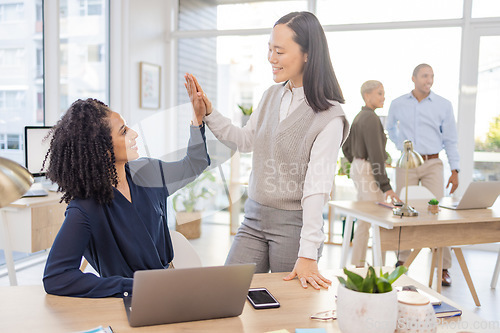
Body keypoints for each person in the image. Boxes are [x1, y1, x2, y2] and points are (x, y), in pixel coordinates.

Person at [185, 11, 349, 290]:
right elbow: (245, 141)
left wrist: (308, 252)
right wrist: (209, 112)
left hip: (293, 227)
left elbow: (316, 188)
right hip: (253, 217)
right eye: (270, 49)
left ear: (308, 54)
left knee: (288, 308)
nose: (271, 58)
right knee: (227, 292)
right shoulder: (271, 95)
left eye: (280, 51)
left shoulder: (329, 116)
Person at [42, 98, 210, 297]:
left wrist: (197, 118)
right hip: (132, 300)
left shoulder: (148, 172)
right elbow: (56, 277)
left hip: (172, 288)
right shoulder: (85, 209)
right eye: (123, 131)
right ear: (101, 147)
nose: (134, 134)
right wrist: (128, 286)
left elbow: (195, 164)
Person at [386, 63, 460, 286]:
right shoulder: (397, 103)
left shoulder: (443, 105)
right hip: (406, 162)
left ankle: (443, 267)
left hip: (432, 162)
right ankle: (401, 264)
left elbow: (451, 139)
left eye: (432, 76)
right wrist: (402, 147)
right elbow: (390, 128)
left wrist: (455, 170)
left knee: (438, 212)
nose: (429, 80)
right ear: (414, 78)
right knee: (402, 211)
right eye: (425, 75)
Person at [342, 80, 400, 267]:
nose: (384, 97)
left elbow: (346, 147)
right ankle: (376, 267)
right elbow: (376, 155)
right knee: (375, 218)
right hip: (368, 169)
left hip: (359, 168)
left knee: (365, 218)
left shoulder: (359, 116)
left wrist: (357, 161)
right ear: (367, 96)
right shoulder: (372, 119)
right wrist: (386, 186)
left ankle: (358, 264)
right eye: (380, 93)